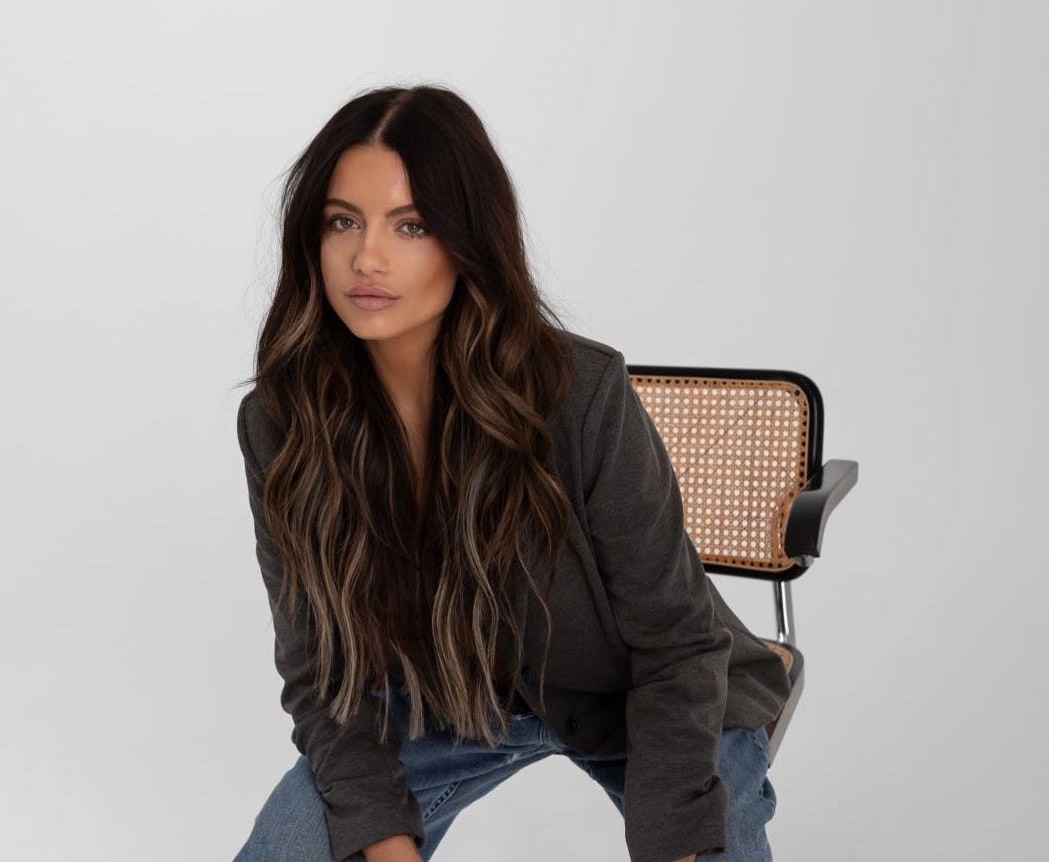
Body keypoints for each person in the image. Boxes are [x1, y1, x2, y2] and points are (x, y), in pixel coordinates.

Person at [230, 84, 791, 862]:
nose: (367, 257)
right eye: (342, 221)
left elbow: (675, 645)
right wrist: (381, 842)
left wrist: (675, 840)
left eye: (412, 225)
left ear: (467, 241)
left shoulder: (580, 393)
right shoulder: (281, 424)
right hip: (447, 706)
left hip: (645, 697)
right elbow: (320, 674)